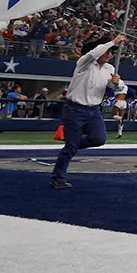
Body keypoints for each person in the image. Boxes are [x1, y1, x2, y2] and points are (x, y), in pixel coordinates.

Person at [50, 35, 124, 188]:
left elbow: (118, 86)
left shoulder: (109, 69)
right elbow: (93, 54)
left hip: (93, 110)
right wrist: (113, 42)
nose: (110, 54)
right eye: (108, 51)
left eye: (111, 52)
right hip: (75, 109)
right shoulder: (84, 63)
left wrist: (116, 84)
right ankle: (58, 177)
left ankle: (72, 143)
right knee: (70, 147)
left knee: (99, 139)